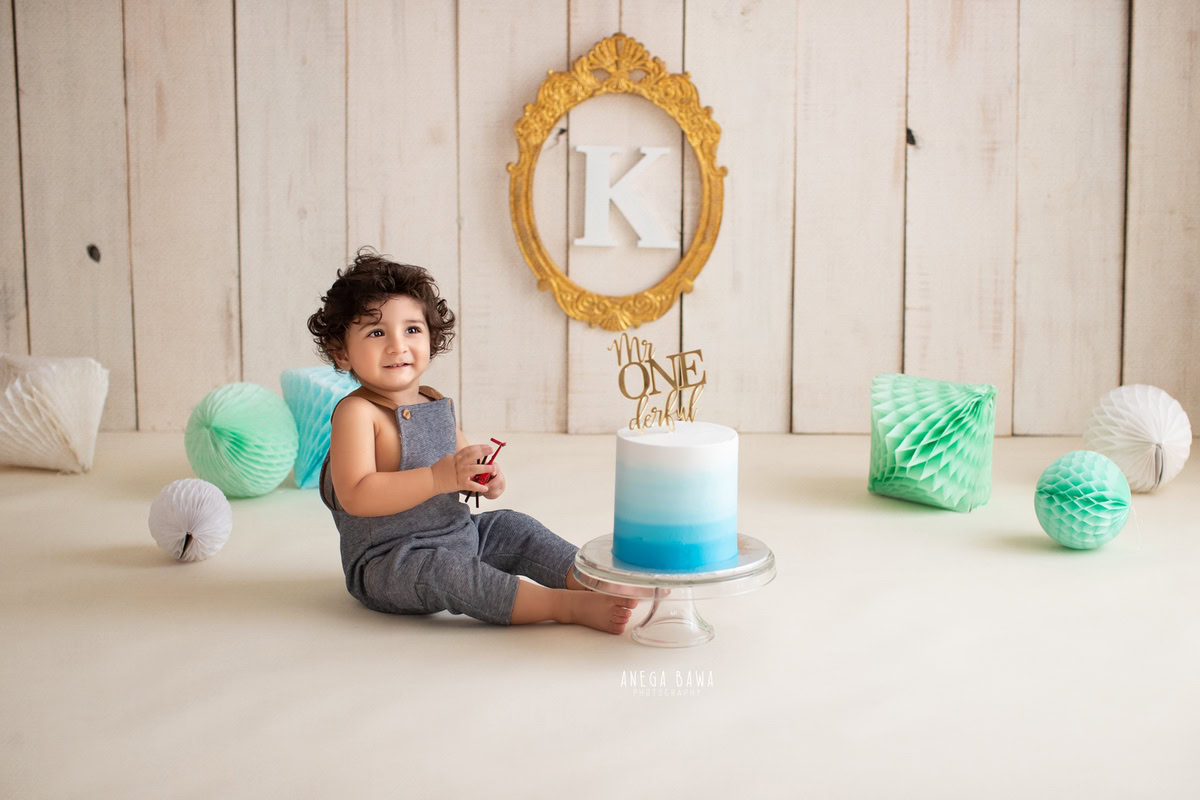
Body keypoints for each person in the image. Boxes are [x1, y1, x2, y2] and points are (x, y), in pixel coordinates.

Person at [306, 247, 637, 633]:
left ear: (432, 337)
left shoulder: (433, 401)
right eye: (376, 333)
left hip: (459, 534)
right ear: (342, 353)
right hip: (393, 561)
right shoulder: (357, 412)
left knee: (515, 527)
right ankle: (563, 606)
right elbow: (356, 495)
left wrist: (482, 477)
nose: (397, 345)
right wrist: (437, 478)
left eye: (411, 329)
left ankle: (587, 577)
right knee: (449, 573)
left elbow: (461, 465)